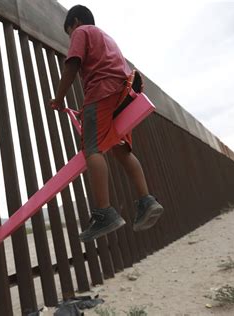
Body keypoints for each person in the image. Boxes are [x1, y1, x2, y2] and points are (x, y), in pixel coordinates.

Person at [48, 5, 164, 242]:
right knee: (121, 150)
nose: (71, 37)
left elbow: (72, 65)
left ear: (75, 22)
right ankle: (146, 200)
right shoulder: (107, 38)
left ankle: (104, 213)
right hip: (122, 96)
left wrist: (59, 99)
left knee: (92, 149)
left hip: (100, 91)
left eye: (69, 32)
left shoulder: (82, 31)